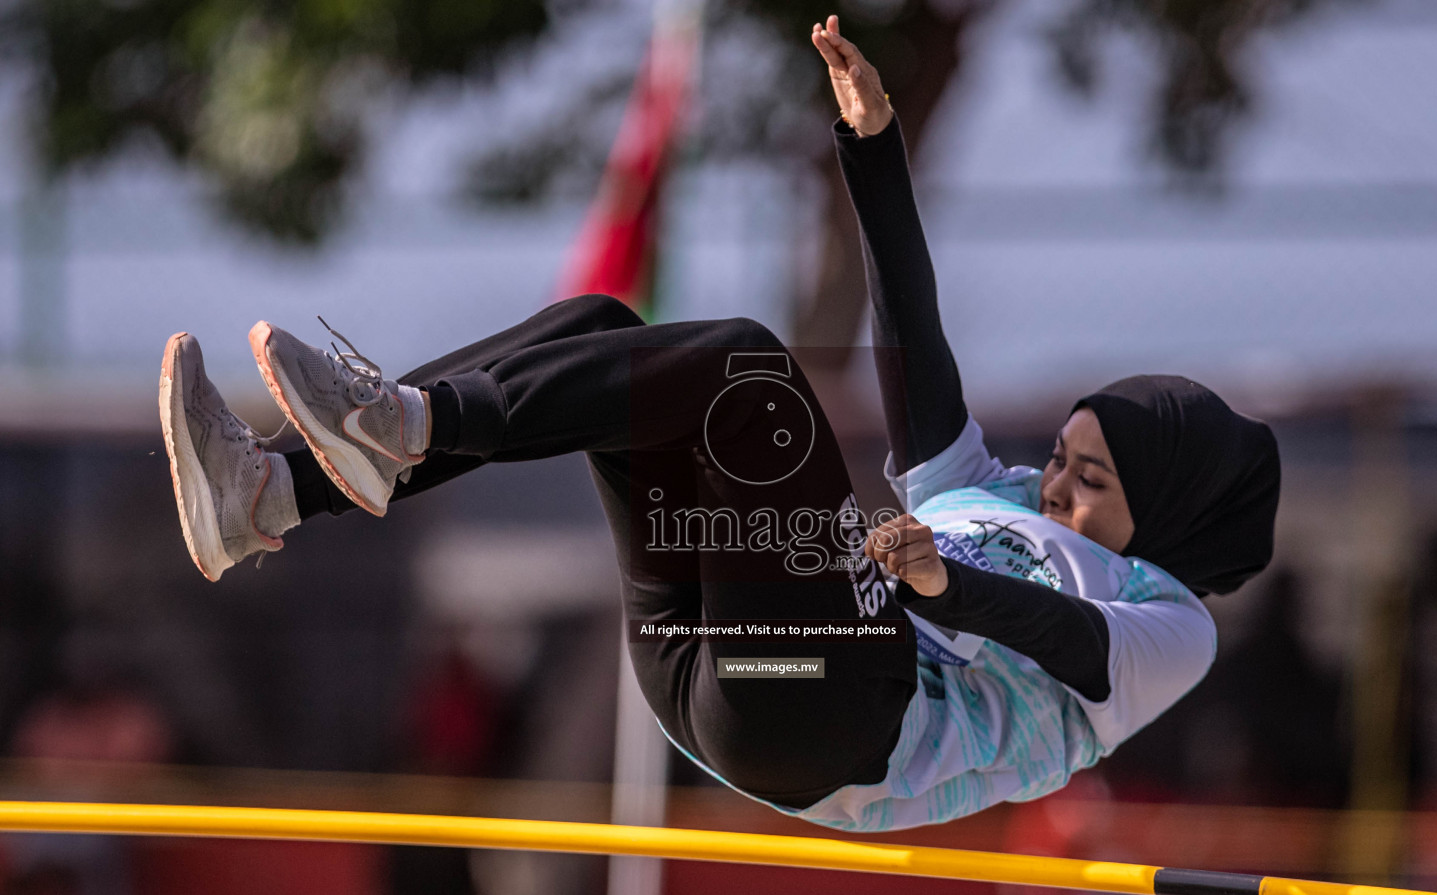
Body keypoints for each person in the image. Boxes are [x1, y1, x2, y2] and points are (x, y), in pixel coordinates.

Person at [156, 16, 1280, 833]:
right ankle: (267, 497)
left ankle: (408, 422)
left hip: (839, 721)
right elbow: (914, 333)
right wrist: (875, 150)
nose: (1052, 490)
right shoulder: (981, 490)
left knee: (745, 368)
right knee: (597, 326)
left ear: (1165, 514)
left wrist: (947, 586)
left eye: (1088, 484)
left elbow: (1075, 648)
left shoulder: (1166, 619)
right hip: (713, 664)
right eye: (1061, 460)